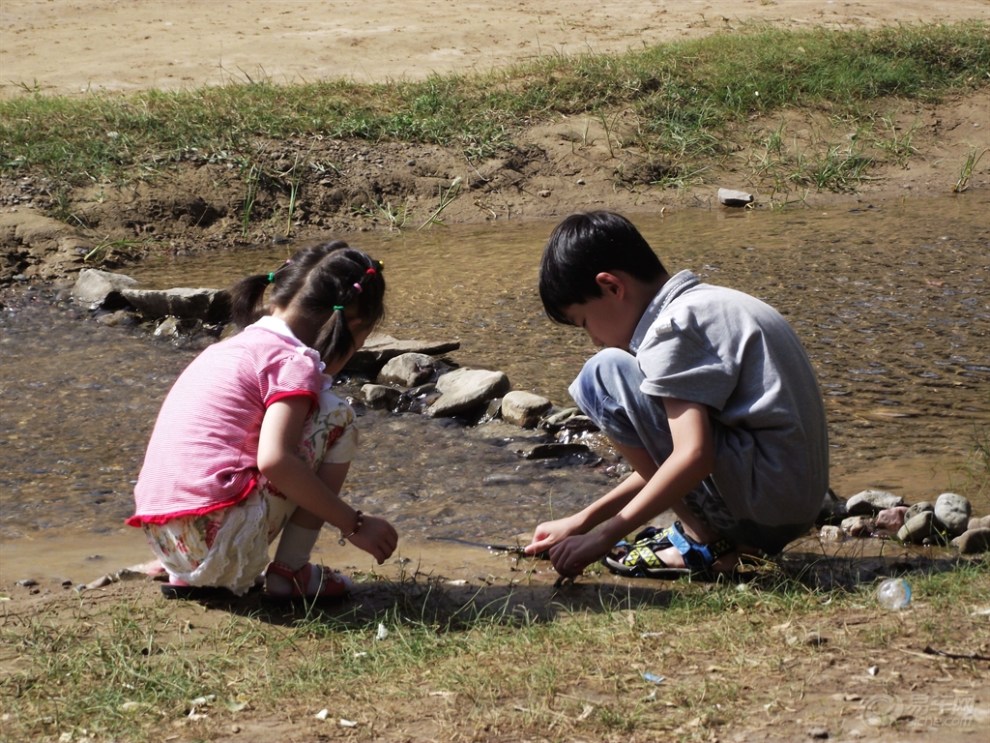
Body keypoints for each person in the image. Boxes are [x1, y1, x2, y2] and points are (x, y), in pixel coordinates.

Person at [525, 211, 828, 580]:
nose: (593, 338)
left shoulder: (671, 329)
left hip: (764, 509)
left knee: (601, 373)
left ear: (612, 287)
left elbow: (694, 458)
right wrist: (583, 520)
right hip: (789, 504)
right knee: (613, 371)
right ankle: (727, 541)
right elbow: (676, 456)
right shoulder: (712, 303)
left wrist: (603, 537)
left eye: (584, 322)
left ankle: (706, 543)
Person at [128, 241, 398, 601]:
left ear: (276, 298)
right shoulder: (293, 362)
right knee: (336, 415)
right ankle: (292, 572)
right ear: (352, 324)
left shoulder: (225, 349)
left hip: (167, 536)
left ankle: (190, 569)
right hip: (219, 540)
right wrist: (354, 524)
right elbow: (275, 460)